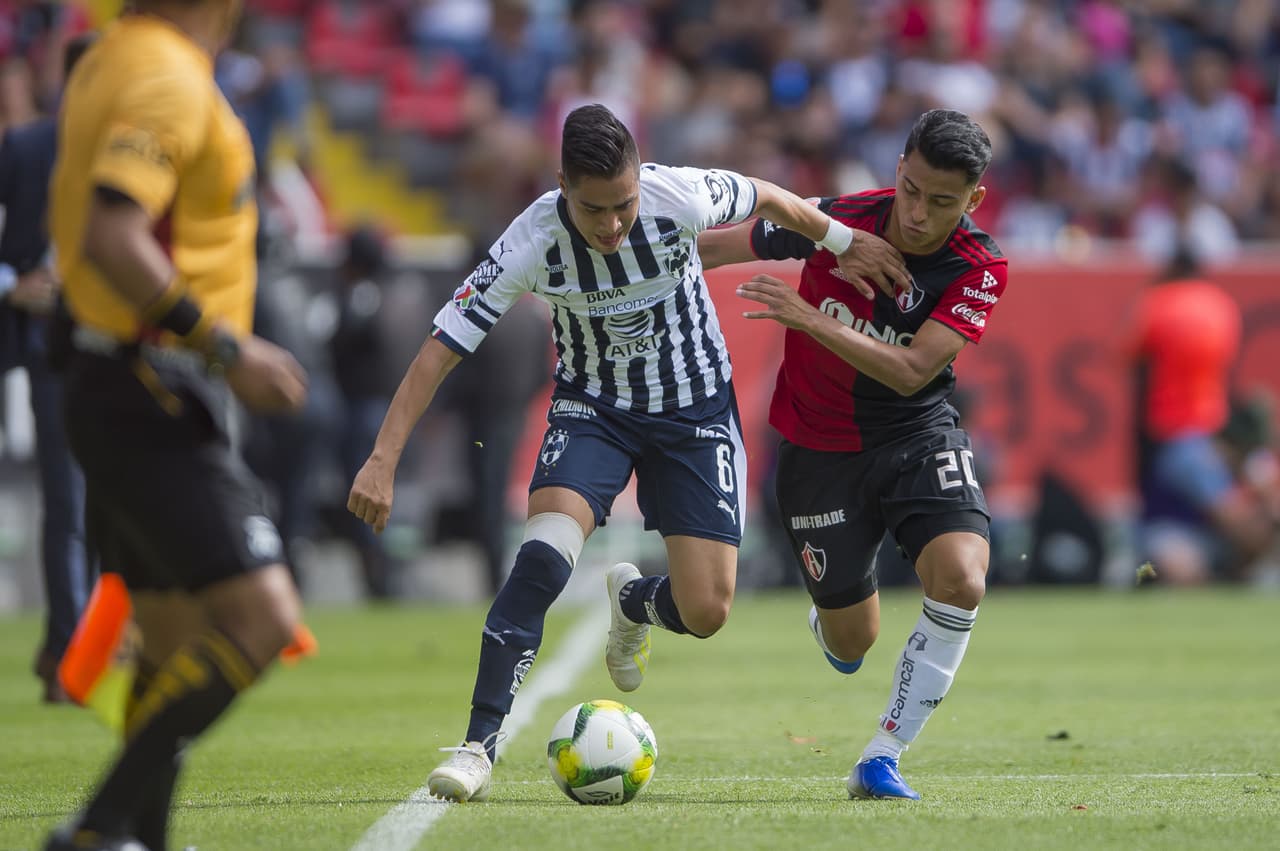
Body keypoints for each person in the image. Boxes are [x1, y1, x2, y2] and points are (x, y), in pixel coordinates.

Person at [347, 102, 909, 803]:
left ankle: (634, 602)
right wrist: (382, 457)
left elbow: (768, 197)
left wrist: (839, 240)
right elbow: (440, 349)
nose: (612, 225)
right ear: (562, 187)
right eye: (594, 210)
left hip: (695, 409)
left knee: (707, 609)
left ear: (641, 177)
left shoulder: (680, 194)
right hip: (595, 410)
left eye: (623, 204)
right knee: (542, 560)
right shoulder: (532, 240)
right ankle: (475, 746)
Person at [45, 2, 308, 849]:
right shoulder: (164, 75)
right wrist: (227, 346)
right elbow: (116, 231)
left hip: (114, 378)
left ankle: (141, 840)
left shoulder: (114, 57)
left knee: (169, 637)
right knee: (261, 620)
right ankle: (95, 831)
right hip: (149, 383)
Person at [698, 108, 1007, 801]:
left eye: (944, 202)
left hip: (916, 434)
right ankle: (833, 618)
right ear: (898, 169)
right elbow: (723, 245)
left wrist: (807, 317)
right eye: (913, 190)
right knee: (850, 642)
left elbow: (911, 370)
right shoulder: (838, 221)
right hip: (817, 450)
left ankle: (883, 753)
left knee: (962, 576)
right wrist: (627, 265)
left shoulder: (979, 268)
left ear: (975, 200)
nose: (921, 214)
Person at [0, 31, 96, 705]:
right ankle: (71, 649)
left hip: (120, 346)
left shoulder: (136, 149)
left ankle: (69, 641)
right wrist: (11, 283)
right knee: (69, 499)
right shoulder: (27, 147)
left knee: (93, 501)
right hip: (56, 349)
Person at [1129, 248, 1272, 583]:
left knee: (1224, 515)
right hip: (1210, 417)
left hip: (1171, 423)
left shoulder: (1157, 302)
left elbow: (1127, 351)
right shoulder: (1221, 304)